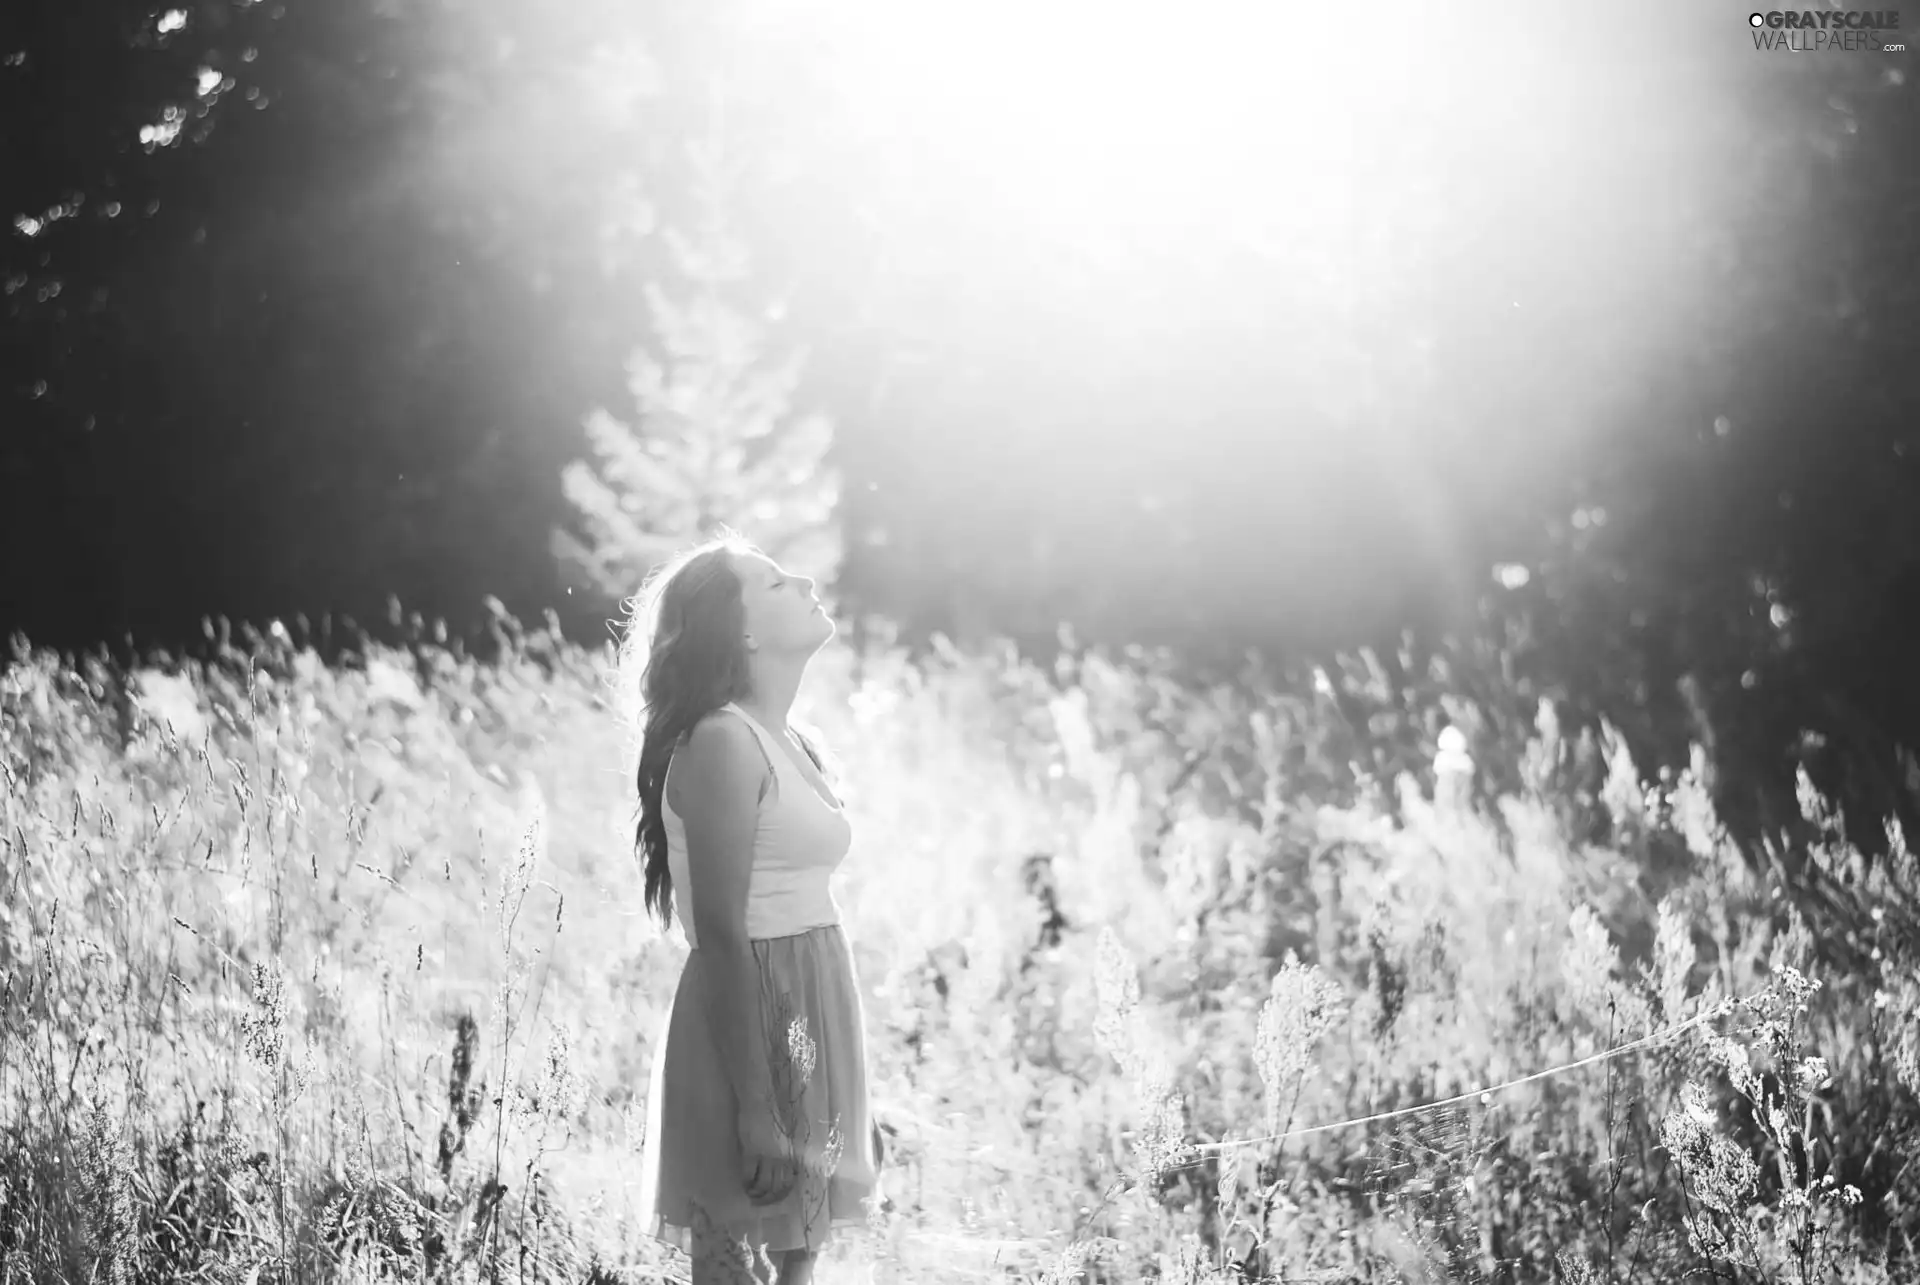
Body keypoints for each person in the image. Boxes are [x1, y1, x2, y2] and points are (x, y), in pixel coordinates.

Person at [625, 534, 879, 1285]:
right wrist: (758, 1108)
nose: (803, 578)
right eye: (773, 583)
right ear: (738, 630)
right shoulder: (722, 742)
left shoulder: (793, 740)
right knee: (731, 1267)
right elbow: (726, 934)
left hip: (813, 996)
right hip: (750, 1010)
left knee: (799, 1263)